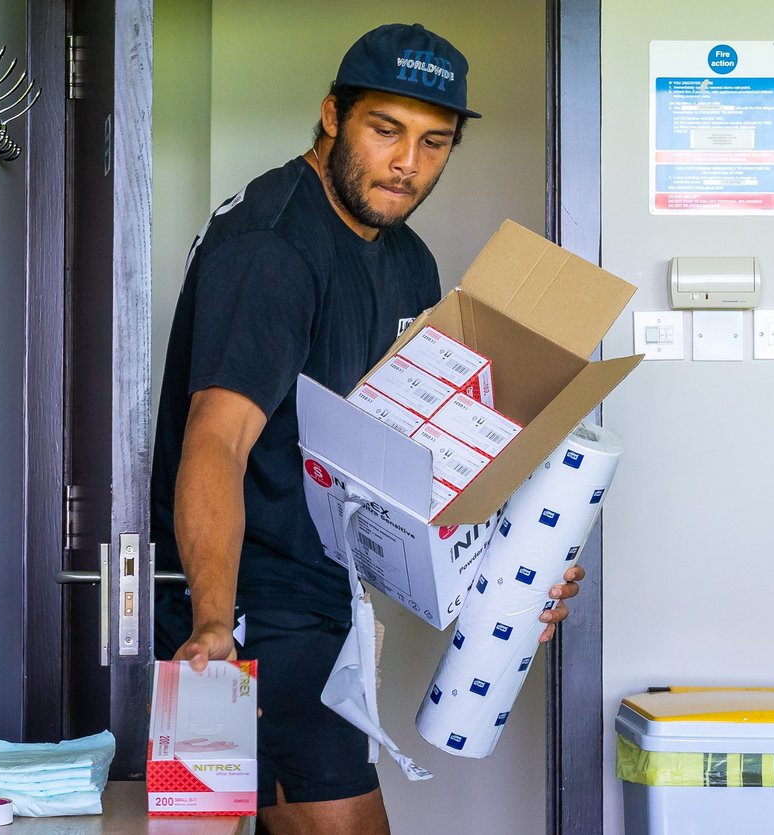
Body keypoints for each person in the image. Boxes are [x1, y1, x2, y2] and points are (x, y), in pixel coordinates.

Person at [151, 23, 584, 835]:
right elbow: (217, 439)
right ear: (331, 116)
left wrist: (509, 572)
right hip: (255, 612)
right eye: (385, 131)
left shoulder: (408, 261)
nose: (407, 164)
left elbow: (403, 453)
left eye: (434, 142)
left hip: (329, 602)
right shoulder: (274, 246)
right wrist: (215, 620)